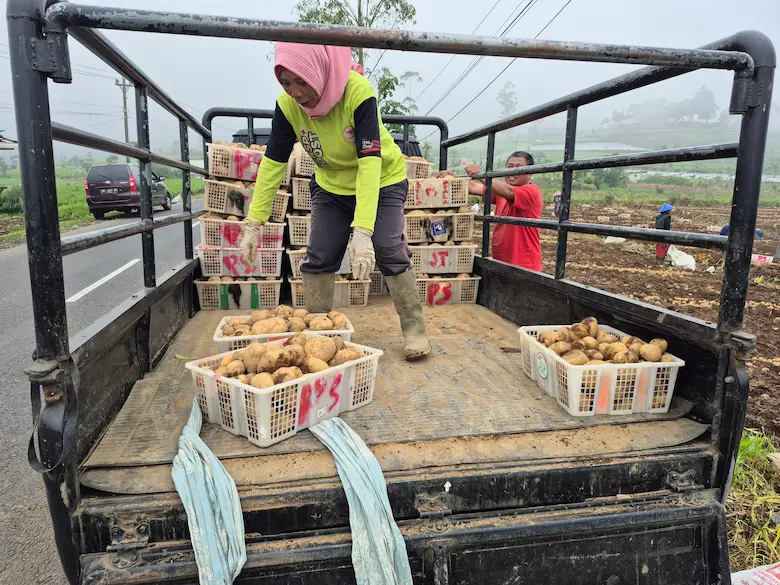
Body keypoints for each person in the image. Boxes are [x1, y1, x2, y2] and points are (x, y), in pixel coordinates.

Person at [239, 43, 430, 360]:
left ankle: (415, 330)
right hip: (331, 185)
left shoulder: (356, 91)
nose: (296, 92)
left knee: (387, 248)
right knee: (320, 254)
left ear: (320, 70)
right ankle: (318, 332)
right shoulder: (287, 106)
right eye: (286, 82)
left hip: (381, 179)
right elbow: (273, 164)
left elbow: (370, 162)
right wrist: (253, 222)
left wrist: (363, 231)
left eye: (302, 81)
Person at [438, 152, 543, 271]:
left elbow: (509, 192)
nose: (513, 171)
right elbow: (473, 187)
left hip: (523, 264)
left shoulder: (531, 191)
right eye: (510, 167)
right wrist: (451, 177)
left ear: (529, 173)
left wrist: (482, 176)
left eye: (518, 167)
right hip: (501, 260)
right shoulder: (500, 192)